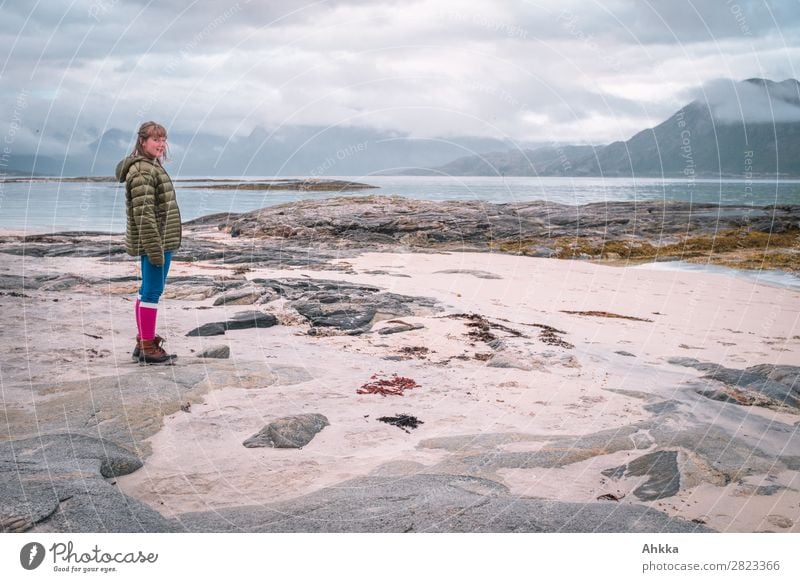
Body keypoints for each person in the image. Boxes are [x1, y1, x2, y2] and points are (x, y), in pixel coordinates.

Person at [115, 121, 182, 364]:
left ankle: (144, 340)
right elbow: (144, 217)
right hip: (157, 242)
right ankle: (146, 346)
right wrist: (155, 250)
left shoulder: (151, 166)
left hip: (162, 240)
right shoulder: (142, 171)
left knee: (147, 291)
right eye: (156, 140)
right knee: (152, 292)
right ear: (143, 142)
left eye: (163, 140)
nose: (161, 144)